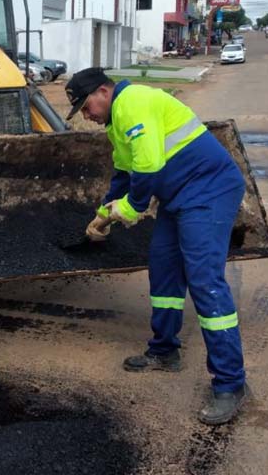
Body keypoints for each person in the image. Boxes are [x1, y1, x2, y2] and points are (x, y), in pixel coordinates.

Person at [67, 67, 249, 425]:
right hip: (178, 196)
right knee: (163, 268)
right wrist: (102, 213)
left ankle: (230, 384)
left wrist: (131, 209)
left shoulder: (132, 101)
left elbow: (148, 165)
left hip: (209, 189)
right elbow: (124, 174)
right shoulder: (116, 124)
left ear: (104, 91)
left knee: (204, 281)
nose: (86, 116)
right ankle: (165, 351)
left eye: (86, 106)